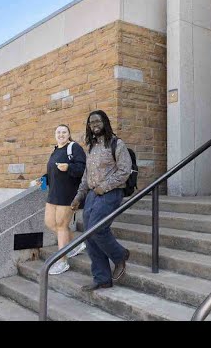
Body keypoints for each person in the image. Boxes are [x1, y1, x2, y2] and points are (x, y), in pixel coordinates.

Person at [70, 110, 132, 291]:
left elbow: (124, 171)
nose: (94, 124)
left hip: (111, 193)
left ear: (105, 122)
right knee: (89, 235)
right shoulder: (92, 147)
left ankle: (119, 255)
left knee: (97, 229)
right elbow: (85, 176)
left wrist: (103, 187)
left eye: (98, 121)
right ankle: (102, 278)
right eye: (91, 122)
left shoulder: (116, 144)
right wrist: (78, 197)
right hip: (91, 195)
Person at [31, 124, 87, 275]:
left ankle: (62, 261)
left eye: (64, 132)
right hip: (54, 193)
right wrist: (42, 179)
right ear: (55, 135)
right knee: (50, 223)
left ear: (69, 134)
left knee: (62, 226)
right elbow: (52, 172)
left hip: (68, 194)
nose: (61, 134)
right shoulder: (55, 150)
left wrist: (68, 167)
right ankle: (74, 245)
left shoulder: (74, 148)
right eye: (58, 132)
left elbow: (83, 169)